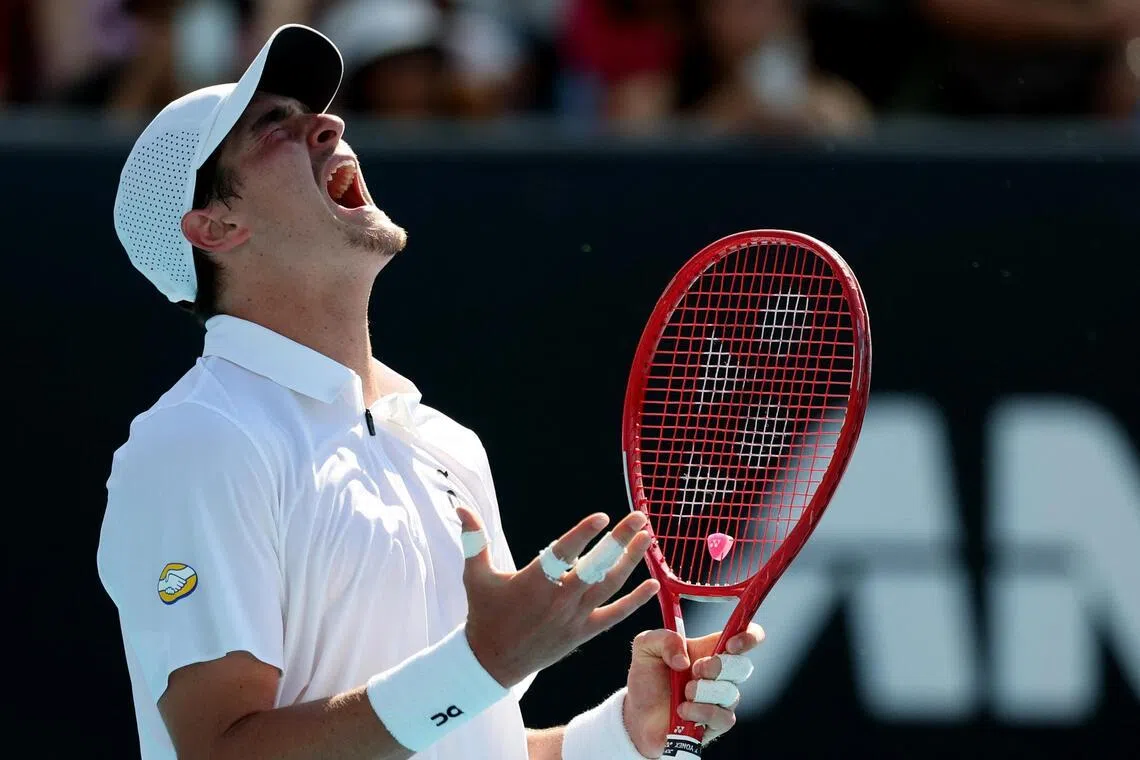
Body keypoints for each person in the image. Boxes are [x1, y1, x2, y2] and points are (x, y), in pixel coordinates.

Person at [96, 23, 764, 760]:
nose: (330, 124)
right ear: (215, 225)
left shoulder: (447, 445)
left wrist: (614, 736)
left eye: (311, 111)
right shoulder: (198, 441)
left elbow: (473, 742)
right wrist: (483, 663)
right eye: (272, 127)